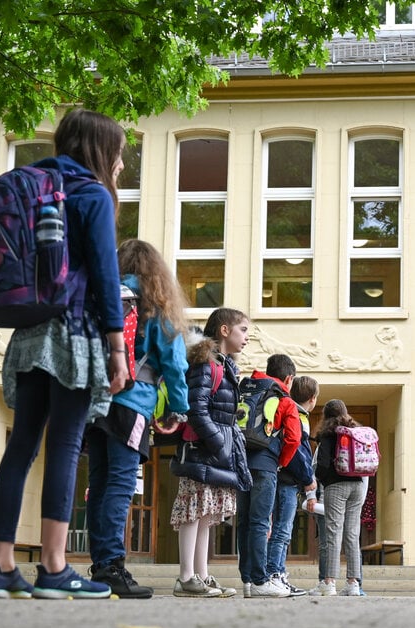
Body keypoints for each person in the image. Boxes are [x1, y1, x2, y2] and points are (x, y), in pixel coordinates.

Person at [0, 109, 130, 600]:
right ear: (101, 151)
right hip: (75, 332)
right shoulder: (90, 194)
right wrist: (117, 346)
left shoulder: (35, 185)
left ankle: (1, 567)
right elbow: (107, 276)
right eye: (120, 154)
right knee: (65, 445)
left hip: (28, 330)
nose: (122, 165)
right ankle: (54, 566)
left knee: (21, 445)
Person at [83, 239, 190, 598]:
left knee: (98, 484)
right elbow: (174, 363)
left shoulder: (102, 295)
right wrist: (178, 407)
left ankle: (100, 565)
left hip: (94, 403)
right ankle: (113, 567)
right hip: (133, 404)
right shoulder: (156, 305)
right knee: (120, 483)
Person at [170, 308, 253, 598]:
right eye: (243, 330)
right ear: (224, 330)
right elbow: (196, 407)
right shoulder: (206, 363)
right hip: (201, 449)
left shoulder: (223, 364)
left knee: (205, 515)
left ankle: (201, 576)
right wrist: (219, 442)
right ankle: (185, 577)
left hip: (212, 449)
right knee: (193, 513)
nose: (247, 338)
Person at [236, 353, 302, 598]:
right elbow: (293, 439)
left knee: (243, 522)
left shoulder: (249, 390)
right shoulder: (284, 399)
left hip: (240, 463)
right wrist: (279, 462)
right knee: (260, 522)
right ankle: (261, 580)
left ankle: (247, 580)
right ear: (289, 378)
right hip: (265, 466)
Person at [266, 375, 319, 596]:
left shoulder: (288, 408)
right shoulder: (299, 416)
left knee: (279, 530)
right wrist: (308, 478)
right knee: (282, 531)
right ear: (312, 398)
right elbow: (298, 452)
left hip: (279, 477)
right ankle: (274, 575)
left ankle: (276, 574)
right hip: (288, 480)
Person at [314, 399, 370, 597]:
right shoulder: (356, 432)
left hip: (336, 487)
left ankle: (329, 582)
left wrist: (323, 479)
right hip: (357, 485)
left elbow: (321, 465)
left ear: (326, 416)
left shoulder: (328, 435)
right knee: (352, 535)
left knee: (333, 533)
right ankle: (353, 583)